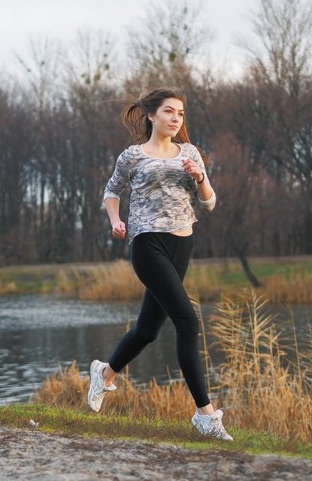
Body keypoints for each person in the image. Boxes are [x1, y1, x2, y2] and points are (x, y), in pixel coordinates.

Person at [87, 87, 232, 441]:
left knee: (148, 331)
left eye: (180, 113)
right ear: (151, 115)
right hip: (147, 242)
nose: (175, 118)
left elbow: (210, 203)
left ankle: (105, 373)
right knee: (187, 322)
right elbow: (111, 190)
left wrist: (199, 177)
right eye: (169, 111)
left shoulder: (191, 153)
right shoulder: (133, 156)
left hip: (183, 243)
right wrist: (115, 220)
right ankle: (205, 415)